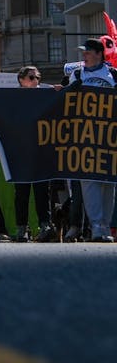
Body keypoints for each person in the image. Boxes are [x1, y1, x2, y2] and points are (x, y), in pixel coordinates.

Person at [65, 39, 117, 242]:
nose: (84, 56)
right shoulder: (77, 75)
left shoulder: (113, 75)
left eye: (87, 52)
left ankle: (105, 226)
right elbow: (65, 103)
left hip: (109, 139)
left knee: (108, 184)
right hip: (85, 138)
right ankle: (96, 227)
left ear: (98, 54)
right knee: (89, 183)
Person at [12, 66, 56, 243]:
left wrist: (59, 91)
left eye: (37, 77)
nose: (35, 80)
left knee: (42, 191)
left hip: (41, 151)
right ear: (21, 80)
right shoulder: (13, 98)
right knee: (21, 192)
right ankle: (22, 228)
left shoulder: (46, 94)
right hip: (21, 151)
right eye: (31, 77)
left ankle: (45, 225)